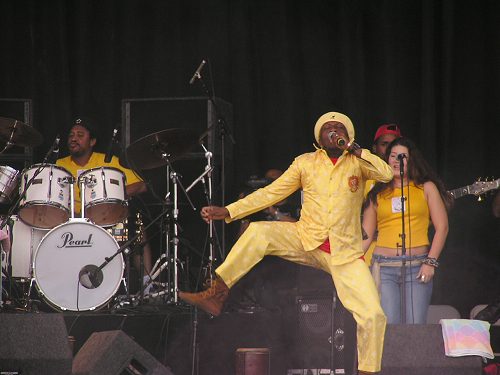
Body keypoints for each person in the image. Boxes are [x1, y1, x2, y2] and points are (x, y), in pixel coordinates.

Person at [179, 111, 394, 374]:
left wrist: (357, 150)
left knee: (373, 315)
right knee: (259, 232)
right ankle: (217, 293)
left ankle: (368, 371)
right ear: (319, 136)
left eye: (340, 128)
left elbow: (385, 173)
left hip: (345, 252)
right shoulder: (305, 163)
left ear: (348, 136)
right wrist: (230, 211)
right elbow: (272, 192)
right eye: (328, 128)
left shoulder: (359, 164)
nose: (334, 131)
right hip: (304, 238)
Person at [362, 137, 452, 324]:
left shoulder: (426, 188)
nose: (396, 161)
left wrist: (430, 262)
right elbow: (366, 236)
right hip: (384, 267)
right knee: (390, 326)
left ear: (411, 160)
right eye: (392, 156)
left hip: (418, 265)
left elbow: (442, 227)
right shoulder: (377, 192)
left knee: (415, 325)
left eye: (402, 156)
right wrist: (349, 264)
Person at [55, 118, 153, 290]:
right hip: (71, 222)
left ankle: (147, 284)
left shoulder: (109, 161)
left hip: (107, 221)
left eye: (80, 135)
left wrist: (112, 195)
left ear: (92, 141)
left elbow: (140, 185)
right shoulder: (59, 165)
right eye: (71, 135)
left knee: (138, 229)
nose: (73, 138)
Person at [364, 124, 403, 265]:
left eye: (393, 144)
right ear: (374, 148)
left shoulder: (410, 177)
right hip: (366, 253)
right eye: (384, 144)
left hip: (398, 254)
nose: (388, 148)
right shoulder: (364, 173)